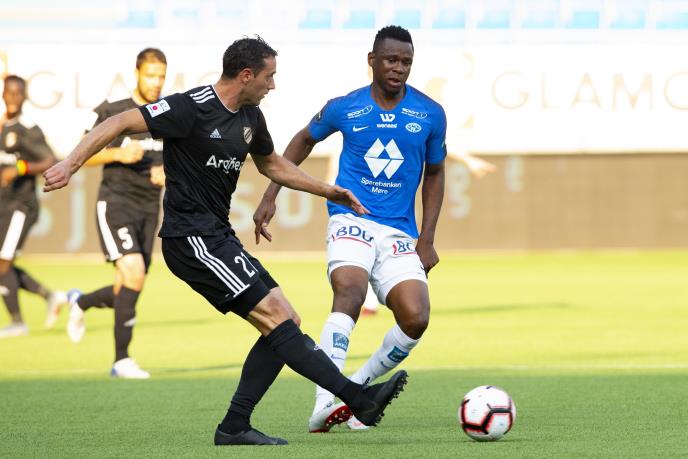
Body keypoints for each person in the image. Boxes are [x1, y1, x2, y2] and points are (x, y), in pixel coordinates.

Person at [43, 36, 407, 446]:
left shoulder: (252, 117)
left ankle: (235, 426)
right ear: (247, 75)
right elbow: (119, 123)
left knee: (285, 321)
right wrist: (71, 163)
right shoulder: (190, 107)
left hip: (217, 236)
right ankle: (358, 398)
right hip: (190, 239)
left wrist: (328, 190)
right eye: (269, 77)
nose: (273, 85)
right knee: (276, 317)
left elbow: (271, 164)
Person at [253, 25, 447, 432]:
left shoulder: (430, 113)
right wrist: (272, 193)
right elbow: (303, 140)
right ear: (372, 61)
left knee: (416, 318)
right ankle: (324, 403)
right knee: (350, 292)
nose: (398, 68)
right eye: (391, 60)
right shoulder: (345, 107)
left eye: (406, 62)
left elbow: (435, 173)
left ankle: (357, 390)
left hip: (399, 231)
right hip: (351, 220)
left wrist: (427, 239)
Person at [64, 48, 168, 379]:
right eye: (150, 75)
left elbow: (181, 156)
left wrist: (169, 170)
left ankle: (80, 302)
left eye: (161, 76)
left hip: (149, 207)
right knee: (133, 273)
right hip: (116, 203)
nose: (156, 82)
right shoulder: (113, 111)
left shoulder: (169, 112)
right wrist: (116, 154)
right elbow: (81, 154)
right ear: (136, 74)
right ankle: (121, 361)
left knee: (130, 285)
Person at [0, 75, 67, 338]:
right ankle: (50, 296)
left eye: (18, 93)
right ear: (3, 94)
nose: (13, 98)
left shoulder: (27, 129)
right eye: (9, 92)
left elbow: (51, 160)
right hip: (4, 205)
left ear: (25, 96)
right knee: (2, 264)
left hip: (21, 206)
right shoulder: (4, 126)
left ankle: (17, 322)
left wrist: (20, 168)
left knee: (3, 263)